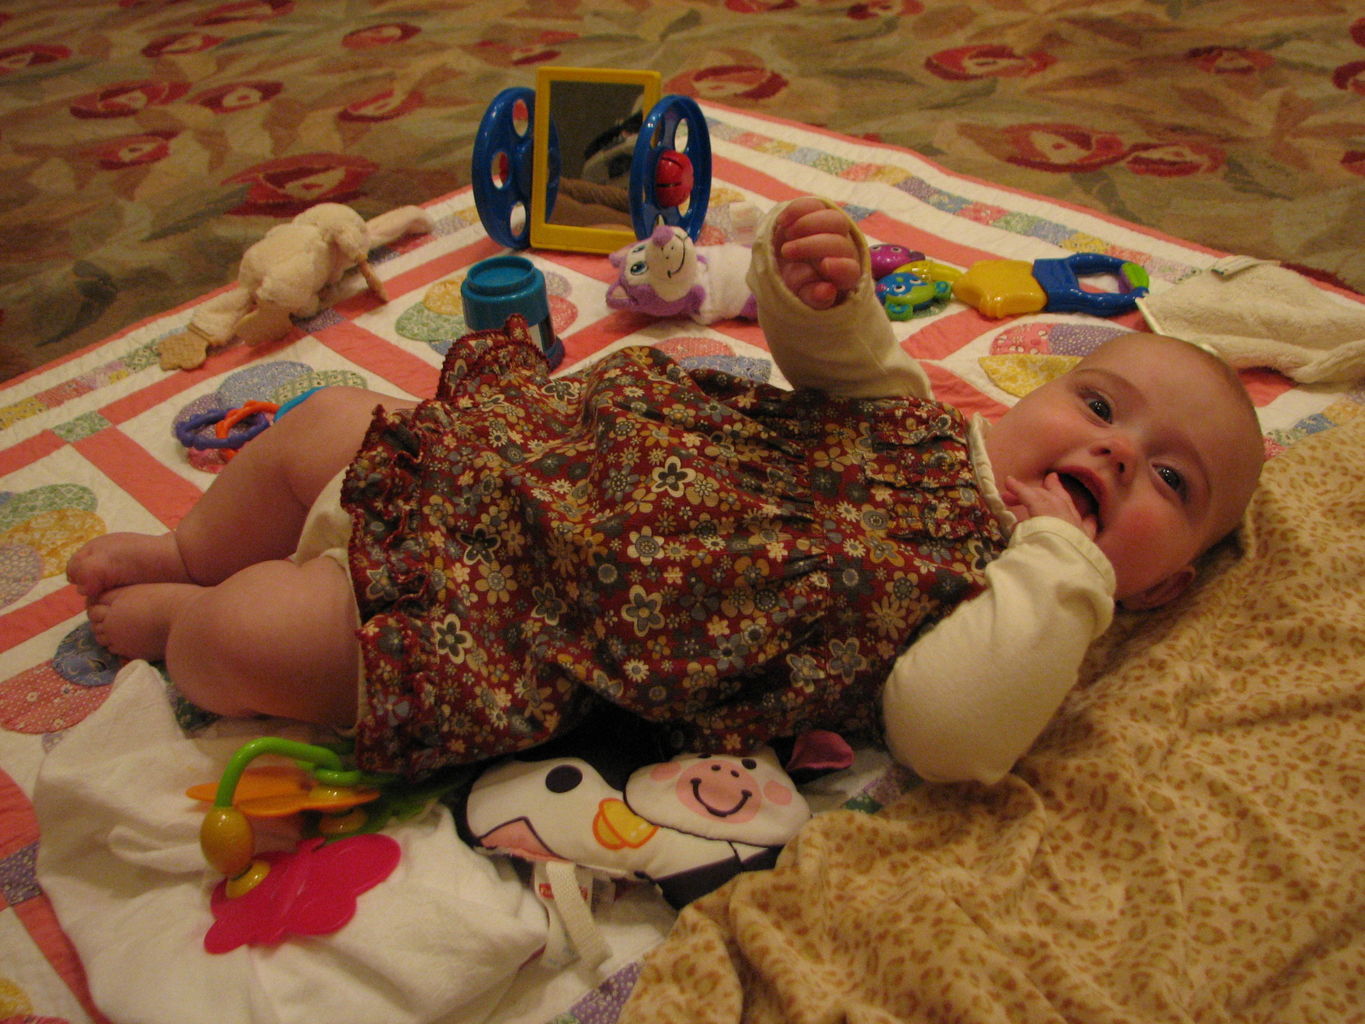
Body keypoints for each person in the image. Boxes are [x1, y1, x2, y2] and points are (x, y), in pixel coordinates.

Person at [66, 197, 1264, 783]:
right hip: (519, 461)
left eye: (1169, 478)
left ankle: (190, 616)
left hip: (535, 631)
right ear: (1038, 400)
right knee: (321, 424)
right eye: (1101, 408)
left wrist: (1062, 567)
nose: (1112, 455)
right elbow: (844, 358)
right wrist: (818, 291)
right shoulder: (925, 424)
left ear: (1158, 589)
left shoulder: (1011, 599)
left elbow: (951, 734)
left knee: (246, 638)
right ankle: (188, 551)